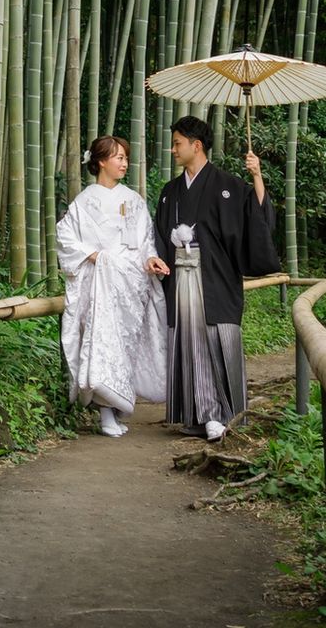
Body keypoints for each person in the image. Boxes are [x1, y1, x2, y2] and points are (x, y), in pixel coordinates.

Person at [151, 115, 281, 441]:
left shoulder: (229, 186)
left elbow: (257, 219)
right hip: (180, 278)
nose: (173, 149)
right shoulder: (170, 191)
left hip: (216, 279)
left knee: (217, 338)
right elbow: (158, 236)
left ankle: (222, 415)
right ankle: (199, 415)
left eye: (177, 143)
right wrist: (158, 259)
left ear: (196, 145)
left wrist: (257, 176)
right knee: (189, 343)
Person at [56, 135, 167, 438]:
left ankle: (115, 409)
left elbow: (145, 241)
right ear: (101, 161)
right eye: (118, 157)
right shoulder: (84, 202)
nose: (124, 163)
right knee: (103, 343)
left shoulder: (134, 200)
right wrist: (95, 256)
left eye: (126, 158)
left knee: (125, 346)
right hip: (100, 282)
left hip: (130, 284)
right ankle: (105, 413)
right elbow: (66, 237)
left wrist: (151, 259)